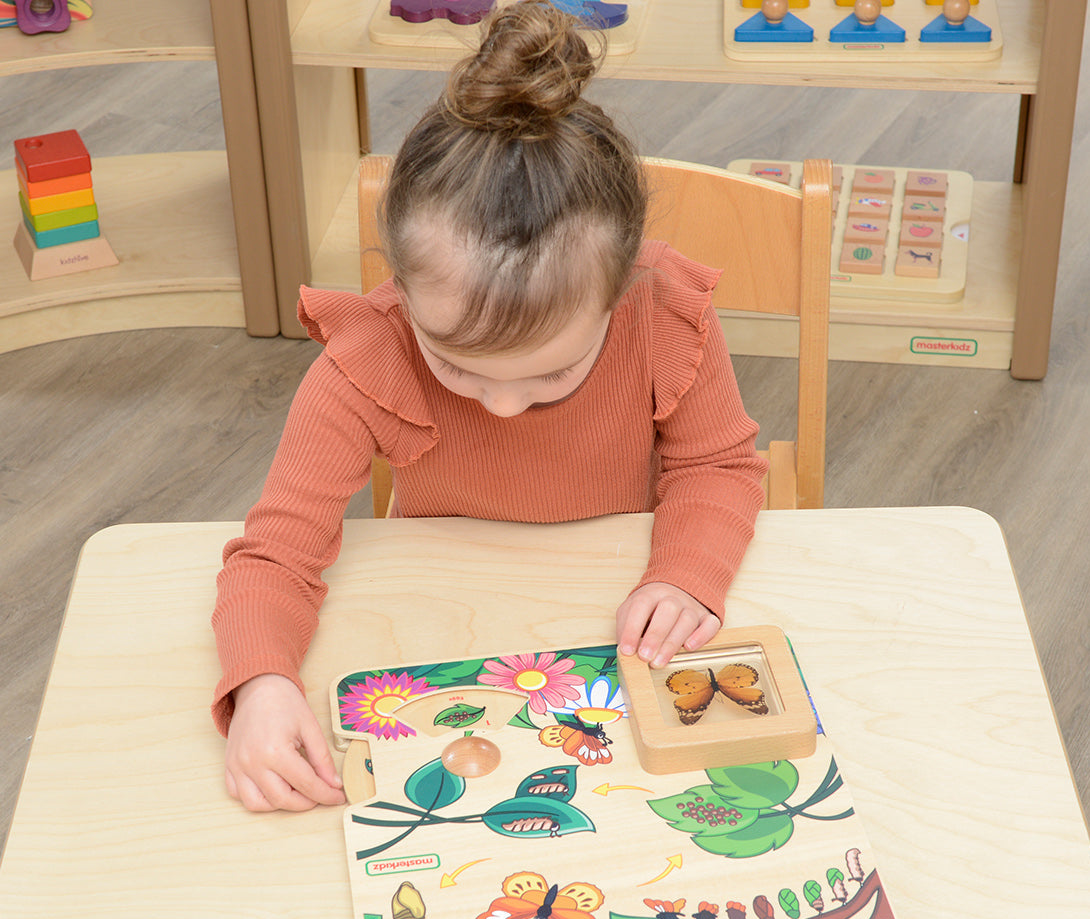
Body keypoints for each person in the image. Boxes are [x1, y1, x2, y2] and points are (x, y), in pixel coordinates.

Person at [212, 0, 767, 813]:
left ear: (622, 298)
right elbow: (274, 558)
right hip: (439, 630)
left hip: (609, 618)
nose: (504, 407)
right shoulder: (365, 358)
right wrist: (261, 684)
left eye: (552, 375)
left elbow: (716, 466)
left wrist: (687, 574)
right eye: (458, 367)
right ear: (397, 289)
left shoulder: (663, 316)